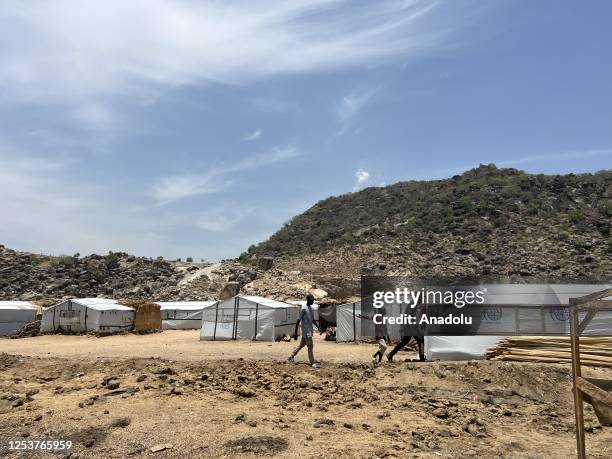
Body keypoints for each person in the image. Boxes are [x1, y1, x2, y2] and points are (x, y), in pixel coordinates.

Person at [288, 294, 320, 368]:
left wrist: (318, 327)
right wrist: (295, 332)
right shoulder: (304, 309)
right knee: (310, 346)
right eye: (312, 300)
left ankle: (290, 357)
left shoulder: (311, 309)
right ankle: (312, 362)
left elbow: (313, 320)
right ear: (308, 300)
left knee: (301, 345)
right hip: (306, 331)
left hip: (309, 331)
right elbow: (298, 320)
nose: (313, 302)